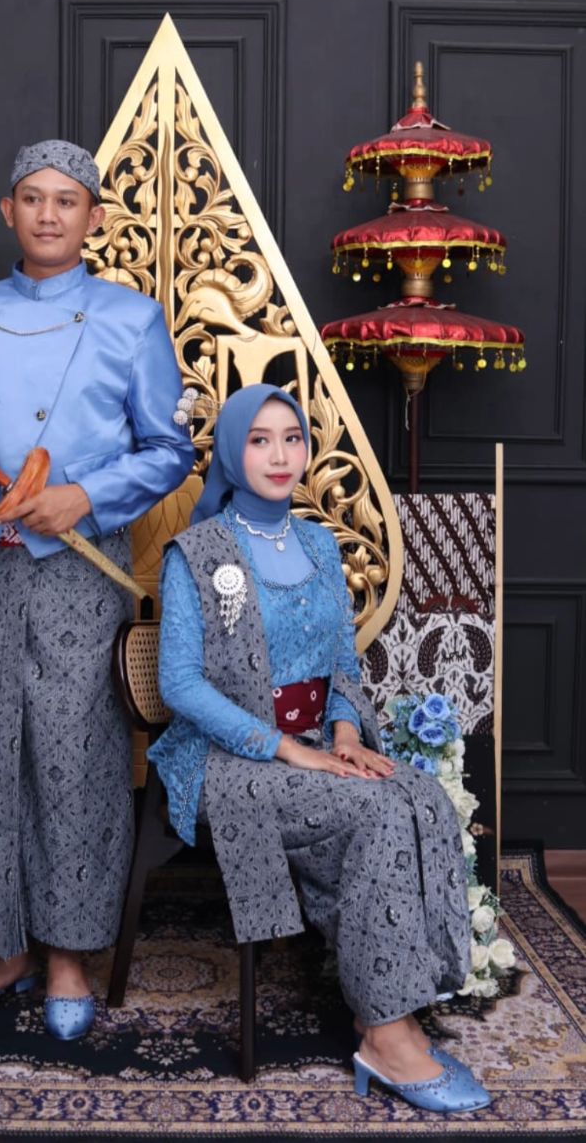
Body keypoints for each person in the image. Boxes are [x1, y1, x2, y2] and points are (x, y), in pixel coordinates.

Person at [0, 139, 194, 1040]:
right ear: (9, 211)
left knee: (77, 756)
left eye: (65, 200)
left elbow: (171, 450)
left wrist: (86, 495)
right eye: (31, 198)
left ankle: (69, 951)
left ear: (93, 218)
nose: (47, 214)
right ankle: (3, 948)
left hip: (83, 562)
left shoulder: (131, 319)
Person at [147, 383, 489, 1111]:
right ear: (233, 452)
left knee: (418, 795)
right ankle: (387, 1036)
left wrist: (343, 732)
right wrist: (285, 747)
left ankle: (393, 1002)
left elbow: (341, 661)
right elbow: (179, 684)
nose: (280, 455)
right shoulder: (198, 553)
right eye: (260, 439)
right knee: (375, 811)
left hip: (315, 742)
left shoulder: (318, 543)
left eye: (293, 438)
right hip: (227, 759)